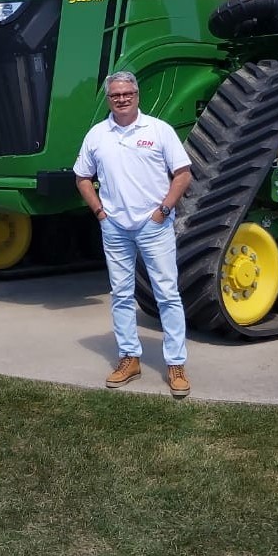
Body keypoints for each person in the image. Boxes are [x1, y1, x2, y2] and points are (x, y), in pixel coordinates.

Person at [73, 70, 193, 398]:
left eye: (127, 93)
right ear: (108, 99)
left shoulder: (158, 130)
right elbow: (82, 176)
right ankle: (129, 358)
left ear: (137, 95)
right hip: (115, 228)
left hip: (154, 226)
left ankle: (176, 364)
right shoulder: (97, 135)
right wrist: (100, 212)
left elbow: (182, 173)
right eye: (115, 95)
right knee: (121, 295)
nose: (121, 99)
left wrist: (164, 210)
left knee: (167, 294)